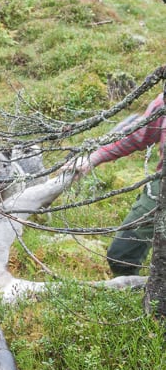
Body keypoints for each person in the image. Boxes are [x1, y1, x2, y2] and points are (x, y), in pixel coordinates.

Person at [67, 92, 166, 276]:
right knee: (122, 257)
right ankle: (139, 298)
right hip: (161, 188)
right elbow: (137, 135)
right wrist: (93, 158)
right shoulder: (164, 101)